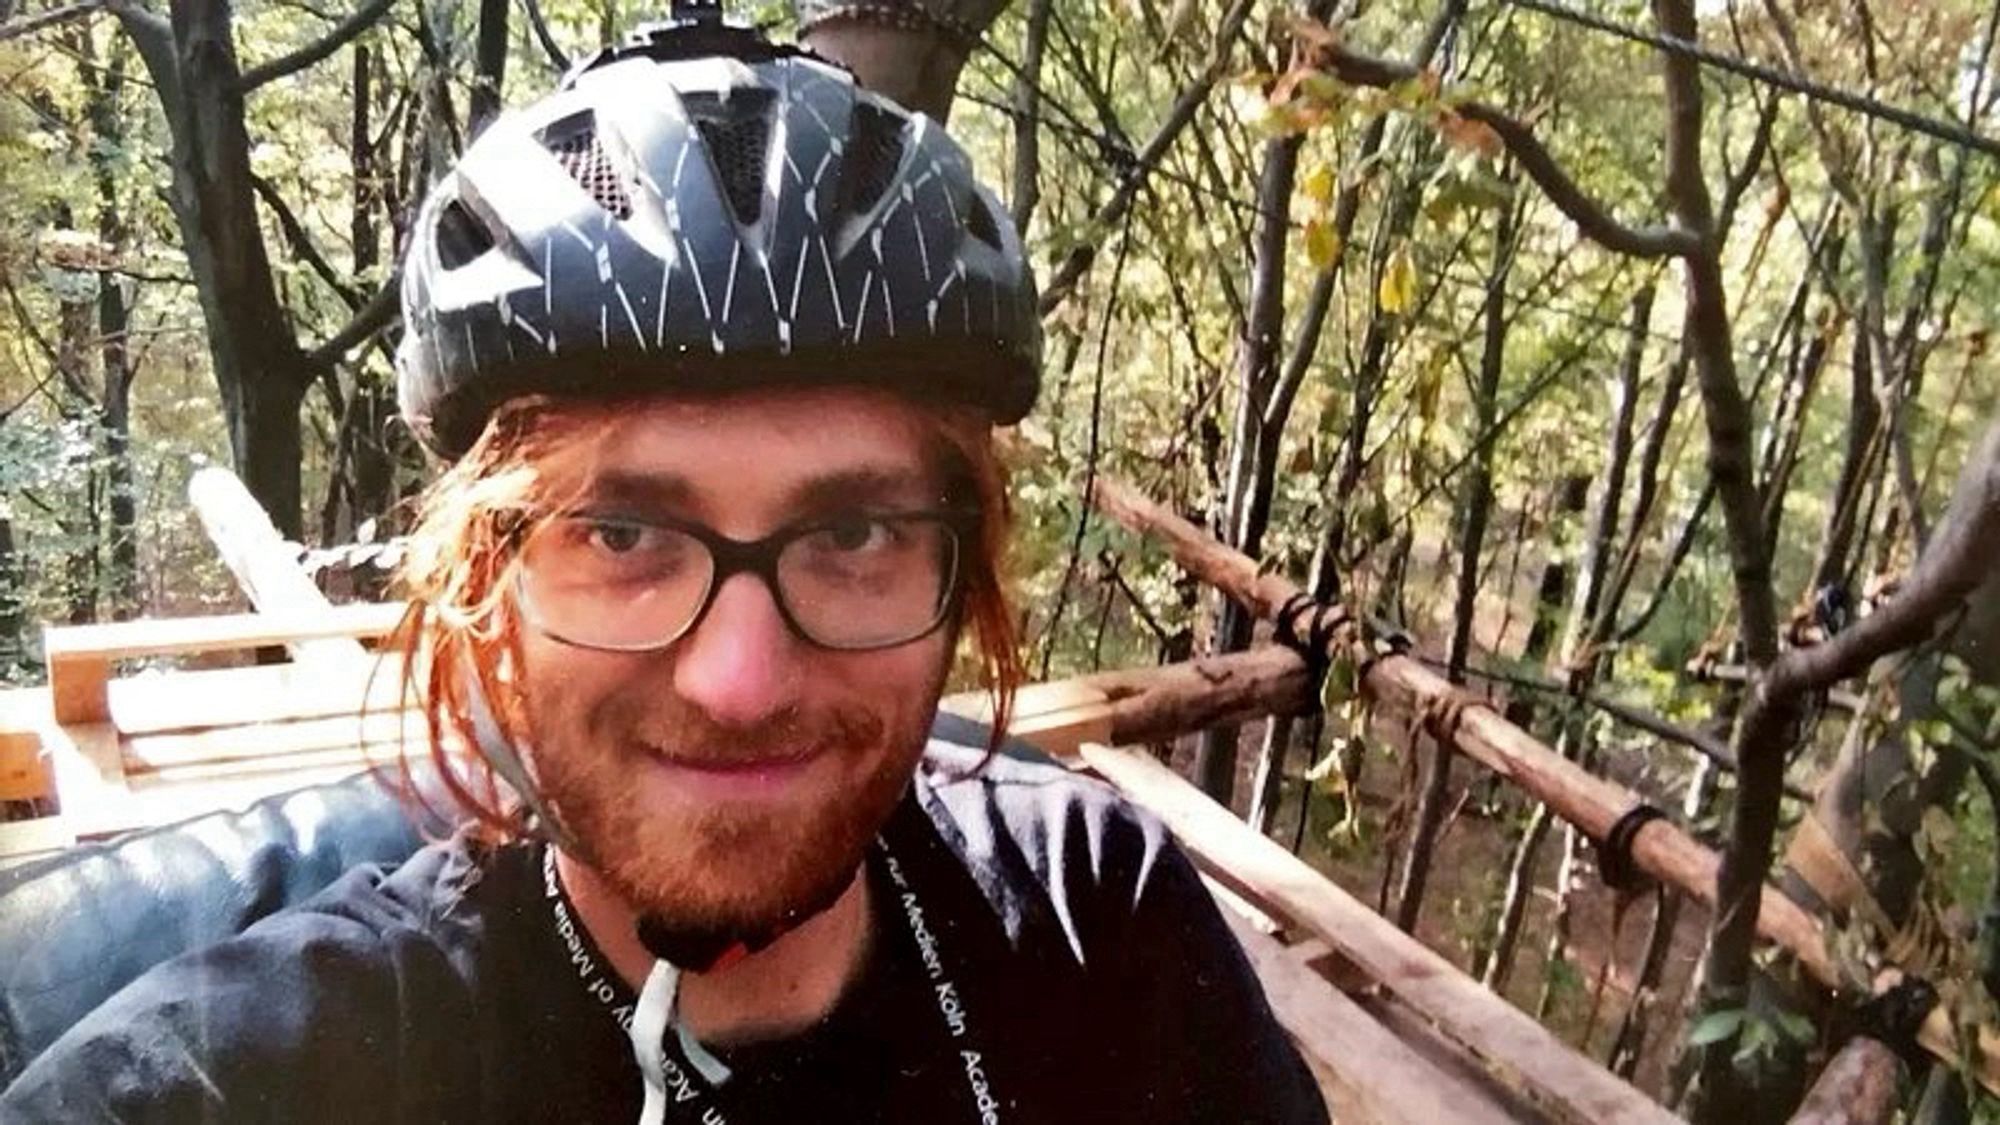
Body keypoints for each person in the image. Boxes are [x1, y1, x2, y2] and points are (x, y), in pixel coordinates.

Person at [1, 8, 1326, 1123]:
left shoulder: (1104, 929)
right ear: (488, 574)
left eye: (853, 533)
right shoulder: (271, 1070)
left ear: (960, 567)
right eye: (623, 533)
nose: (738, 679)